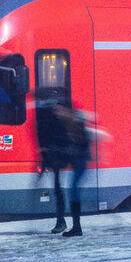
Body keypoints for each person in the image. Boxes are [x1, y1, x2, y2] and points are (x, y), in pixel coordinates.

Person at [35, 88, 90, 237]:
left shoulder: (73, 122)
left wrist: (58, 154)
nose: (56, 112)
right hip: (71, 159)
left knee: (72, 190)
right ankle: (68, 224)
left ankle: (74, 226)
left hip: (78, 160)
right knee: (67, 189)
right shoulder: (62, 122)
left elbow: (79, 144)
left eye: (59, 109)